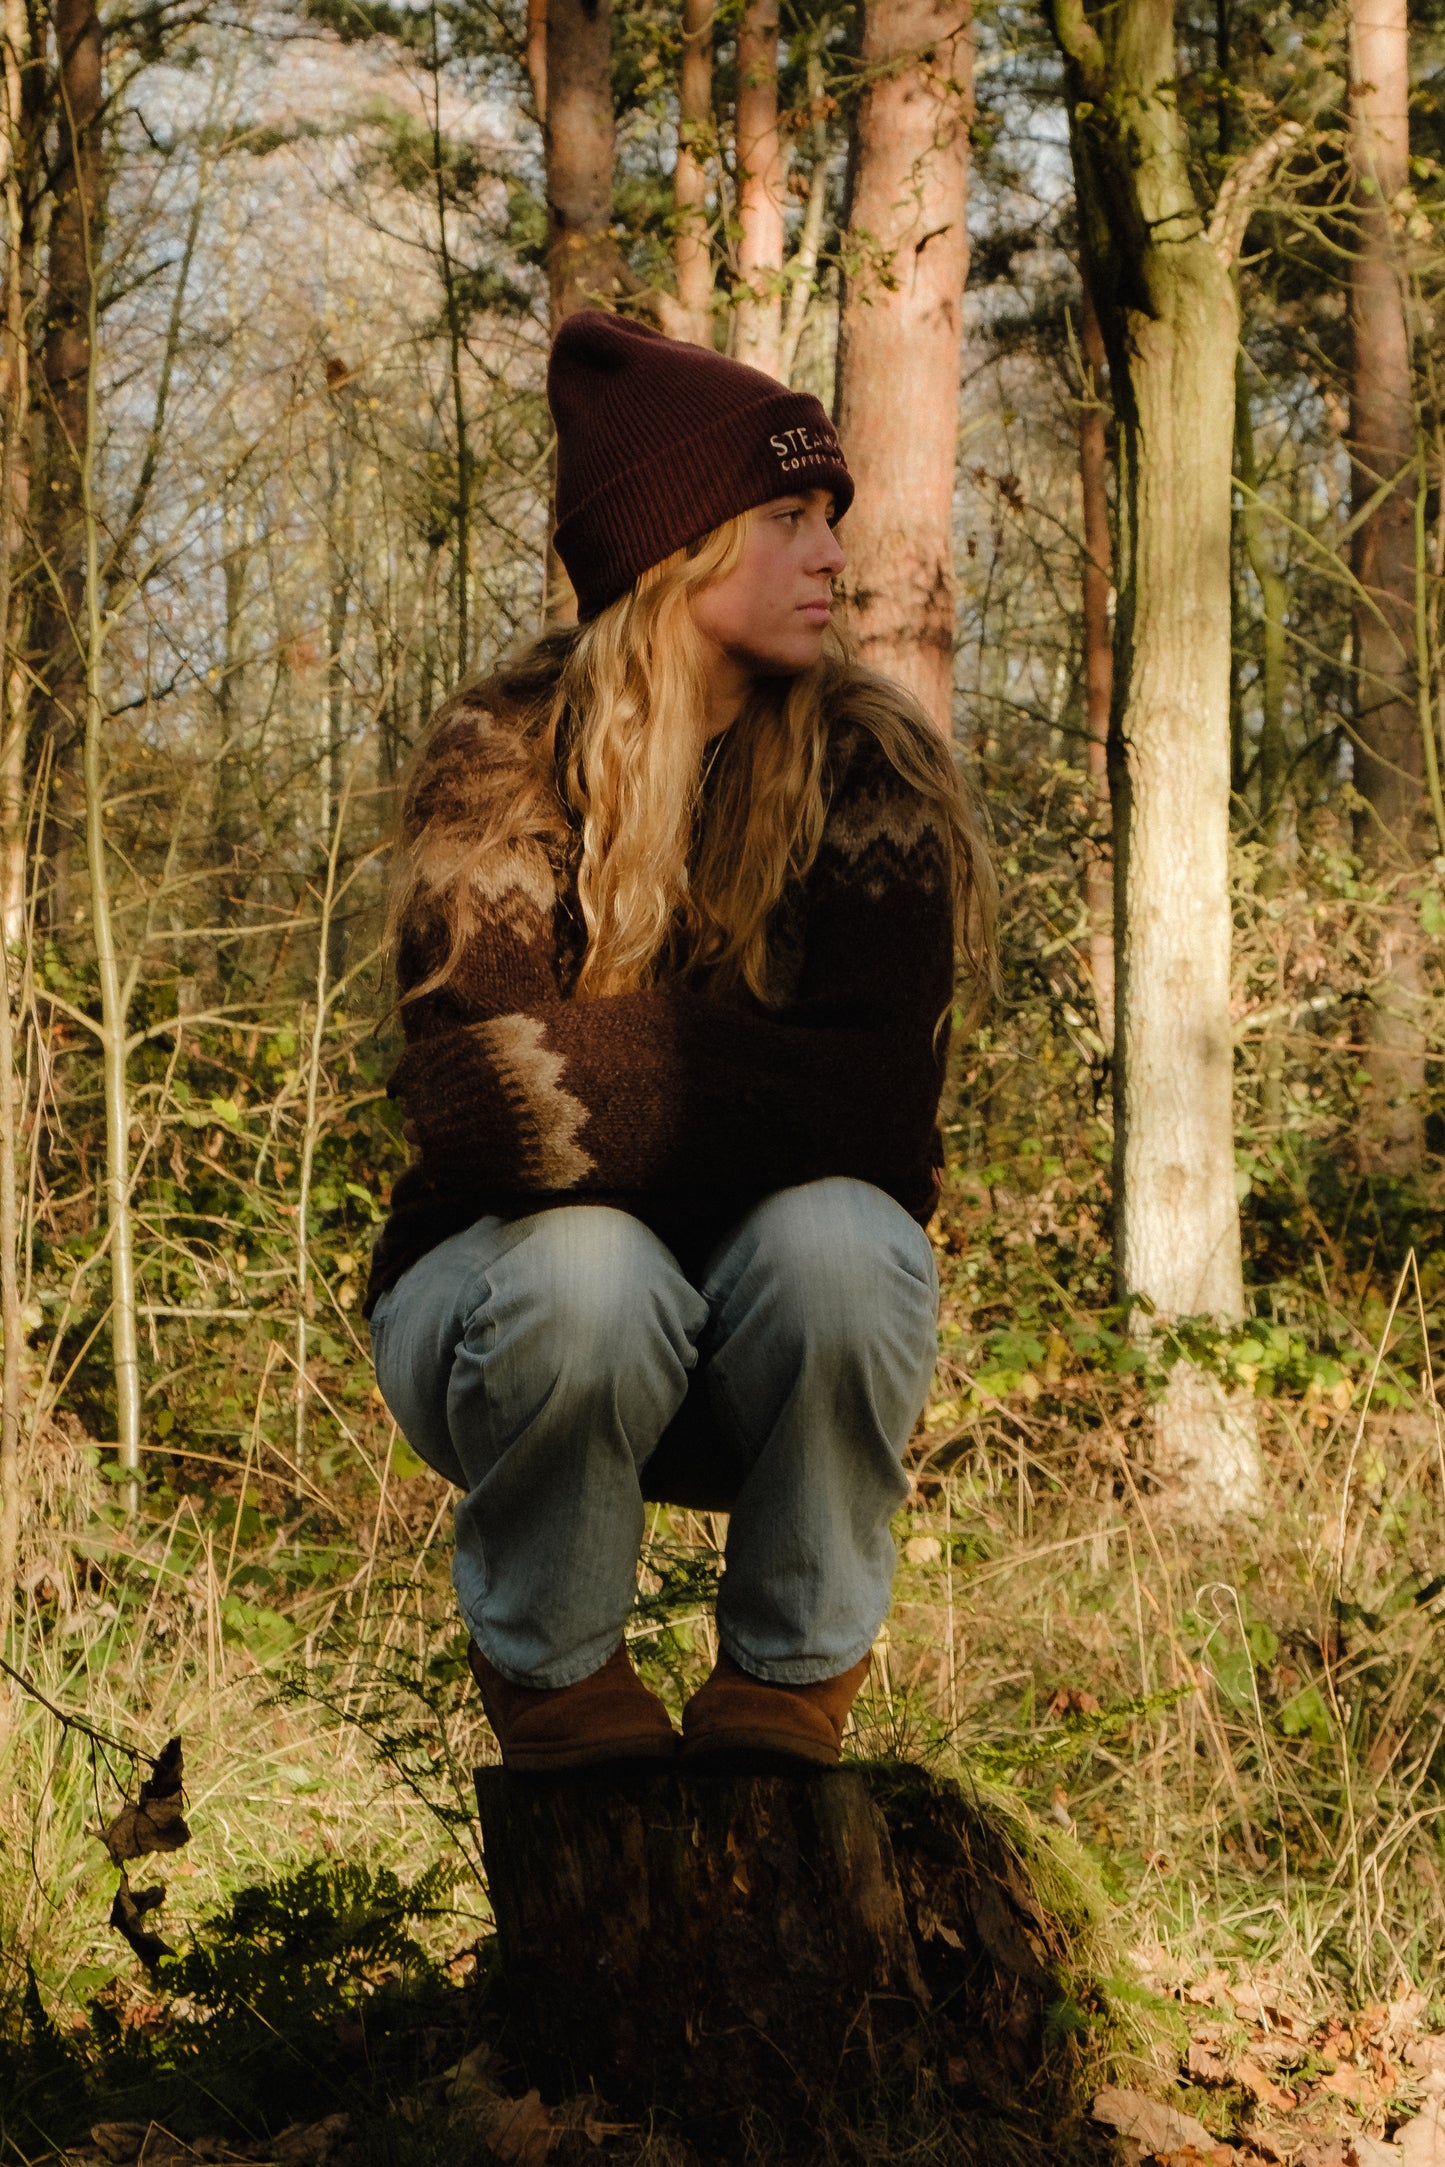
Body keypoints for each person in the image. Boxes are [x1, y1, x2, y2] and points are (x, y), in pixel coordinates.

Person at [365, 312, 994, 1774]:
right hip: (494, 1325)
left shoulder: (873, 768)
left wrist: (609, 1066)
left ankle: (787, 1679)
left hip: (757, 1339)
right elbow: (472, 1109)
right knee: (592, 1270)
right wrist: (763, 1085)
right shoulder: (500, 754)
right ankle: (559, 1679)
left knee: (847, 1243)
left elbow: (885, 1126)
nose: (834, 550)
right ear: (677, 546)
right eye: (787, 515)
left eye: (830, 512)